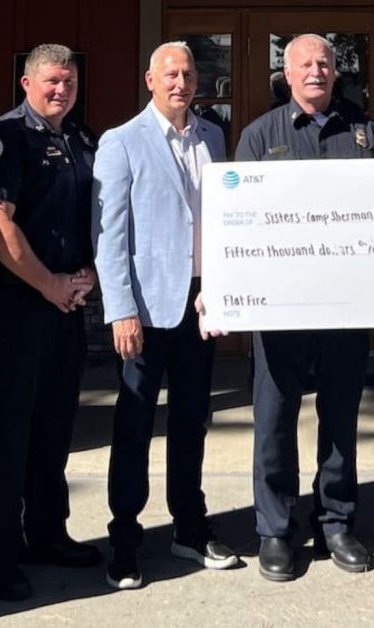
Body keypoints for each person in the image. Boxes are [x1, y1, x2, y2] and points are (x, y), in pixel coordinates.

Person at [236, 33, 374, 582]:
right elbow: (239, 222)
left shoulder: (367, 134)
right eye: (304, 63)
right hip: (280, 308)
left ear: (335, 71)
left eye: (324, 62)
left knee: (340, 416)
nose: (315, 71)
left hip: (346, 306)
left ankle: (336, 521)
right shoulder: (259, 136)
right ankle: (275, 529)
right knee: (274, 419)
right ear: (287, 73)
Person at [92, 41, 239, 590]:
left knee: (191, 420)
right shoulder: (121, 141)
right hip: (145, 309)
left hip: (199, 305)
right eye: (171, 74)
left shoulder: (212, 136)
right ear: (150, 80)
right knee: (134, 425)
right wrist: (120, 309)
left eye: (189, 74)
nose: (181, 82)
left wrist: (218, 288)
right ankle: (125, 541)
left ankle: (190, 527)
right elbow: (108, 234)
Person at [0, 44, 100, 601]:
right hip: (12, 311)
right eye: (51, 81)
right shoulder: (6, 138)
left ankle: (47, 534)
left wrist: (89, 273)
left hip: (65, 307)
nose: (61, 90)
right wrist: (48, 284)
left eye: (69, 81)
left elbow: (96, 215)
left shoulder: (82, 139)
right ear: (27, 83)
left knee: (53, 427)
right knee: (6, 435)